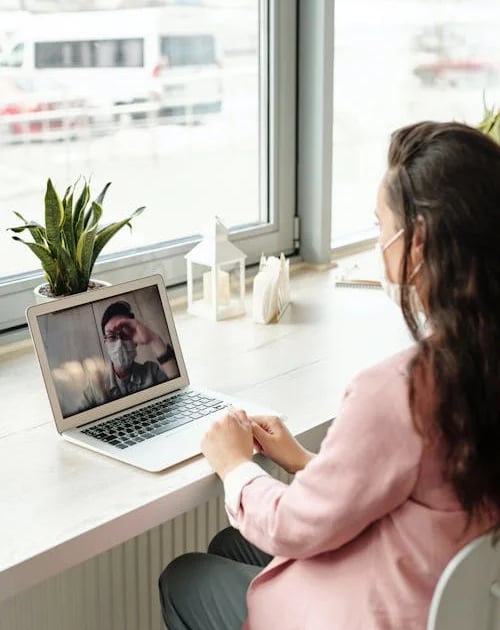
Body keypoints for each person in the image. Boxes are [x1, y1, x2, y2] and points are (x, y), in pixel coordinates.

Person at [158, 121, 500, 630]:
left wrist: (234, 467)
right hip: (448, 596)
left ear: (420, 242)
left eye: (382, 226)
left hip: (391, 609)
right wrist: (303, 461)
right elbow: (424, 490)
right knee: (230, 543)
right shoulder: (481, 363)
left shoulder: (402, 390)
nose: (380, 242)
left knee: (187, 577)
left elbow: (291, 527)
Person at [81, 300, 179, 407]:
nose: (119, 343)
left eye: (125, 334)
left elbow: (178, 393)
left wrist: (153, 339)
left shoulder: (151, 371)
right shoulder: (94, 384)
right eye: (112, 336)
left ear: (135, 341)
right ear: (105, 343)